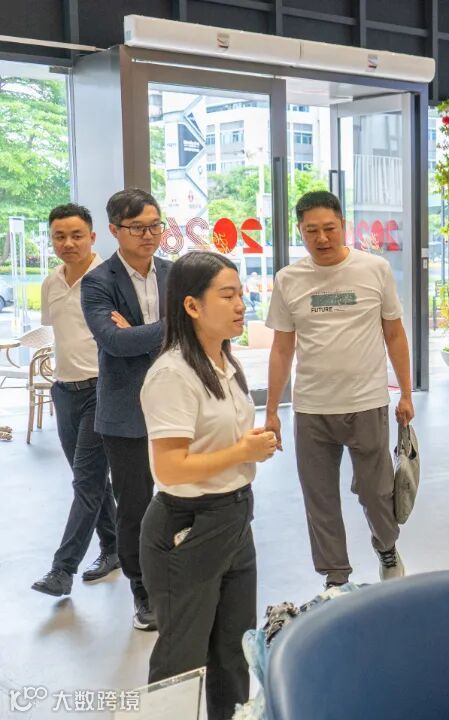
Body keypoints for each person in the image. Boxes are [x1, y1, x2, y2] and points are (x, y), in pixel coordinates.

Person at [139, 252, 276, 720]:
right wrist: (240, 452)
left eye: (241, 294)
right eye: (228, 295)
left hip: (235, 516)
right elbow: (171, 468)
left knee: (234, 651)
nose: (241, 305)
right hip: (189, 526)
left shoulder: (225, 362)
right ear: (192, 306)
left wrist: (248, 445)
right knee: (181, 661)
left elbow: (216, 438)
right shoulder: (172, 374)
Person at [265, 191, 414, 587]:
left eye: (329, 228)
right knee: (320, 499)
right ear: (300, 231)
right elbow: (282, 348)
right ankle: (335, 576)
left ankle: (386, 546)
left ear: (343, 226)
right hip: (311, 408)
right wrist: (270, 411)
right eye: (311, 230)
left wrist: (406, 393)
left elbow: (394, 334)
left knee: (377, 492)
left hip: (366, 402)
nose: (322, 238)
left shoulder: (375, 269)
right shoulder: (288, 279)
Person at [81, 188, 172, 630]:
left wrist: (140, 331)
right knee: (134, 506)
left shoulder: (176, 273)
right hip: (126, 414)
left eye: (155, 225)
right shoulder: (98, 282)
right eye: (137, 228)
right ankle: (143, 590)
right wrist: (175, 326)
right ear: (114, 230)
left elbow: (207, 328)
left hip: (177, 405)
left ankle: (177, 578)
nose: (149, 235)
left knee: (183, 497)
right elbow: (114, 343)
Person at [31, 204, 120, 597]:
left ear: (92, 237)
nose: (68, 243)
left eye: (76, 235)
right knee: (92, 481)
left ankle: (62, 569)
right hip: (65, 391)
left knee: (86, 482)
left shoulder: (110, 279)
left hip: (102, 390)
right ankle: (113, 548)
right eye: (59, 236)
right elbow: (59, 331)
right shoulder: (51, 282)